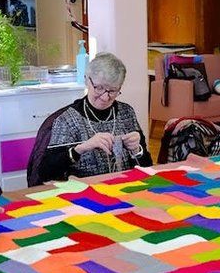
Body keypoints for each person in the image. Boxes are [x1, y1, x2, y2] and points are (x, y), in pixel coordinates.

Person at [32, 52, 152, 184]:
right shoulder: (67, 120)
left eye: (112, 91)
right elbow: (46, 172)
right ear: (87, 80)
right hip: (86, 193)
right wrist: (81, 148)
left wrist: (137, 150)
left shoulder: (126, 113)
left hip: (123, 188)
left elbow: (147, 167)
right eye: (99, 88)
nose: (105, 97)